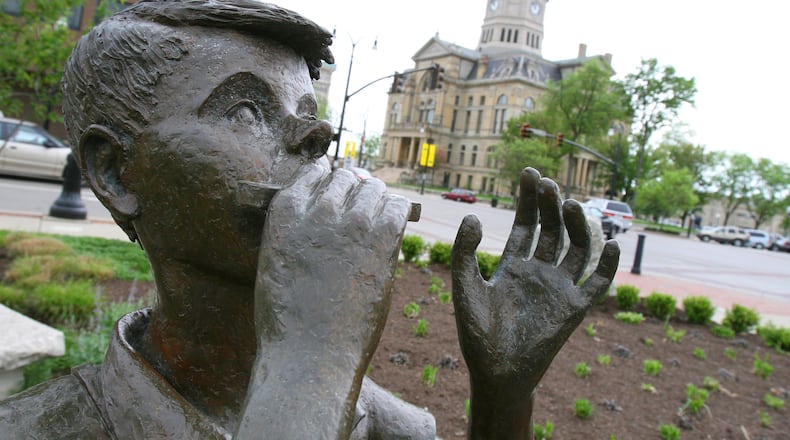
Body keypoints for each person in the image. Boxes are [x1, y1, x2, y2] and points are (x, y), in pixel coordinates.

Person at [0, 1, 619, 439]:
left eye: (307, 109)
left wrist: (502, 403)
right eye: (244, 110)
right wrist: (311, 362)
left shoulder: (395, 429)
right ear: (114, 173)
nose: (319, 134)